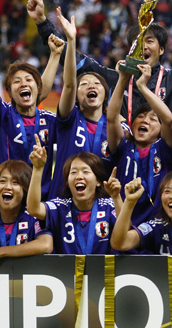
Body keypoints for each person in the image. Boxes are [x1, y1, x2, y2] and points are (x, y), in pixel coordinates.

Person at [27, 0, 172, 131]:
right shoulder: (113, 80)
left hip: (168, 174)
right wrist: (42, 23)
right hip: (123, 170)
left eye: (149, 40)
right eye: (136, 41)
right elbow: (72, 58)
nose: (142, 45)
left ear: (161, 50)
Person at [0, 29, 62, 199]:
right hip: (5, 198)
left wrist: (55, 55)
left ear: (37, 88)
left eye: (29, 80)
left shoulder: (49, 120)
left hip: (40, 200)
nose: (23, 84)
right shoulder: (3, 114)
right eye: (17, 81)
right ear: (10, 93)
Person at [46, 9, 116, 199]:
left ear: (106, 94)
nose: (90, 85)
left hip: (99, 210)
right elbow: (69, 84)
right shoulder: (69, 120)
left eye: (96, 83)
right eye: (84, 84)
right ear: (76, 97)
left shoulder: (115, 129)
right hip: (60, 206)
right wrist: (71, 41)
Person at [107, 60, 172, 234]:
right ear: (132, 124)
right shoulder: (123, 147)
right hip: (123, 224)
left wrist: (143, 87)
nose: (145, 120)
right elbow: (112, 118)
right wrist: (122, 79)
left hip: (159, 227)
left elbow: (169, 121)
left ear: (160, 129)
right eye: (140, 117)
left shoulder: (165, 149)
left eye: (153, 118)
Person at [27, 143, 121, 254]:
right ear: (67, 182)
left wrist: (116, 197)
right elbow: (34, 209)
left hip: (103, 270)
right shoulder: (60, 206)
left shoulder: (108, 205)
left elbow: (126, 228)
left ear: (98, 181)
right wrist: (38, 169)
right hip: (66, 271)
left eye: (86, 171)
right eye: (73, 172)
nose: (79, 176)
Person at [0, 160, 53, 263]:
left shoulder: (34, 217)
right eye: (2, 181)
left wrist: (0, 252)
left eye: (15, 182)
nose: (7, 187)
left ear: (26, 189)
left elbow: (46, 245)